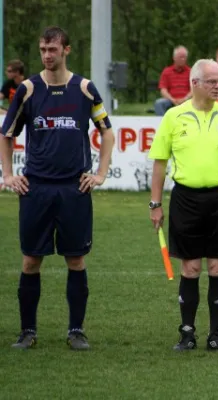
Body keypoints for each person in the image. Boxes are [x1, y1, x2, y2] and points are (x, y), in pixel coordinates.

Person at [0, 26, 115, 350]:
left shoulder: (85, 89)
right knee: (30, 261)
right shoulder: (27, 90)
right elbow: (6, 133)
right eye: (42, 50)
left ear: (66, 50)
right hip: (36, 188)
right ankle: (27, 332)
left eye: (52, 49)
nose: (47, 55)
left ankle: (76, 330)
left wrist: (101, 173)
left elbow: (107, 132)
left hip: (73, 188)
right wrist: (8, 175)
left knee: (76, 260)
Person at [148, 58, 218, 352]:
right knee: (191, 267)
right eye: (211, 81)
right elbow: (159, 163)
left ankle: (216, 334)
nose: (217, 86)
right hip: (186, 199)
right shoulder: (173, 117)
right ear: (195, 83)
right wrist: (155, 204)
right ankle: (187, 333)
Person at [154, 46, 191, 116]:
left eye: (184, 57)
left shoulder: (191, 72)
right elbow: (163, 90)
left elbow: (194, 90)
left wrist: (184, 99)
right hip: (171, 100)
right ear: (174, 58)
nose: (183, 59)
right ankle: (163, 124)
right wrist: (173, 100)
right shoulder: (167, 71)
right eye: (181, 57)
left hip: (187, 100)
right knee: (159, 103)